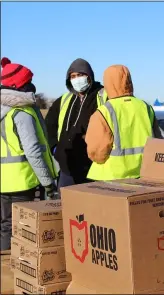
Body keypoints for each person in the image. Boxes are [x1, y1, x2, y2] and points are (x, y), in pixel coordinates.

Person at [1, 57, 58, 251]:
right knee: (23, 230)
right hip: (22, 182)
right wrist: (48, 182)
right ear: (20, 85)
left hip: (3, 182)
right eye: (28, 82)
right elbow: (33, 151)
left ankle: (6, 273)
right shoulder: (21, 113)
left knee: (5, 227)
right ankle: (20, 271)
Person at [85, 64, 162, 181]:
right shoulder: (146, 107)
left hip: (112, 178)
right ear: (129, 81)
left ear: (107, 83)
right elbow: (157, 142)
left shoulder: (104, 111)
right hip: (144, 174)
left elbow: (97, 153)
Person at [45, 58, 107, 188]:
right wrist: (55, 148)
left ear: (89, 76)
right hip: (67, 167)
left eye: (80, 75)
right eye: (73, 76)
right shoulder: (64, 100)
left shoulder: (103, 96)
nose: (77, 79)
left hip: (93, 167)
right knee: (66, 206)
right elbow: (49, 126)